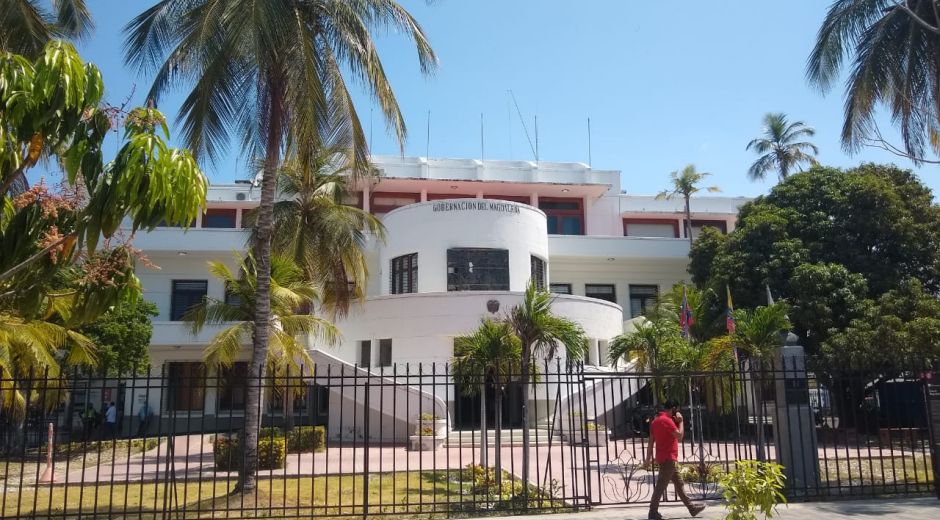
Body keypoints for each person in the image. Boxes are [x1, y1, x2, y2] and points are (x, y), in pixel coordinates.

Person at [644, 400, 705, 520]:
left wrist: (648, 458)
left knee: (679, 483)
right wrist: (681, 422)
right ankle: (652, 512)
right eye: (676, 410)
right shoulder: (667, 421)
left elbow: (651, 441)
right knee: (661, 486)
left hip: (663, 458)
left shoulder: (655, 421)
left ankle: (692, 508)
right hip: (669, 459)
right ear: (673, 409)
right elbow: (680, 436)